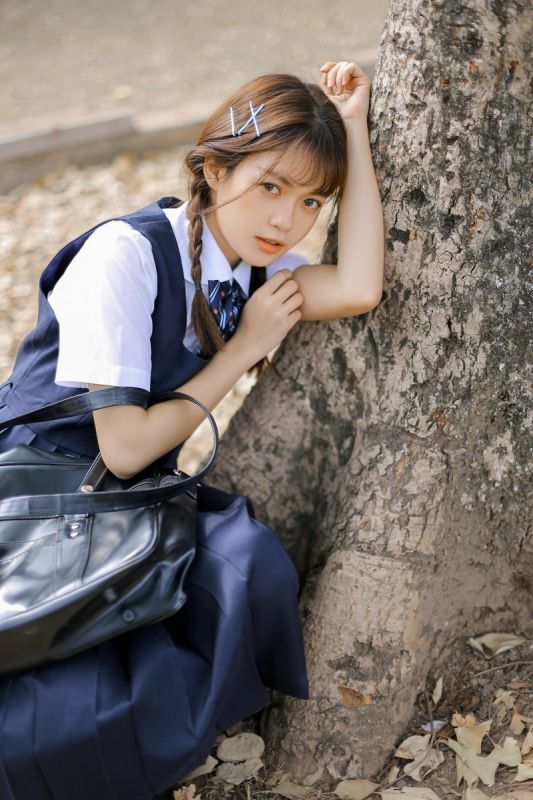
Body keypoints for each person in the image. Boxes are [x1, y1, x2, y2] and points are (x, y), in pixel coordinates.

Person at [0, 60, 384, 799]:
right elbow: (126, 445)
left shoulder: (249, 274)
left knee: (247, 565)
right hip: (44, 490)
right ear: (210, 169)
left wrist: (355, 131)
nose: (287, 220)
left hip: (128, 499)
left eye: (312, 202)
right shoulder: (125, 253)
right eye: (270, 186)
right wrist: (243, 350)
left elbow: (361, 284)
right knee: (63, 707)